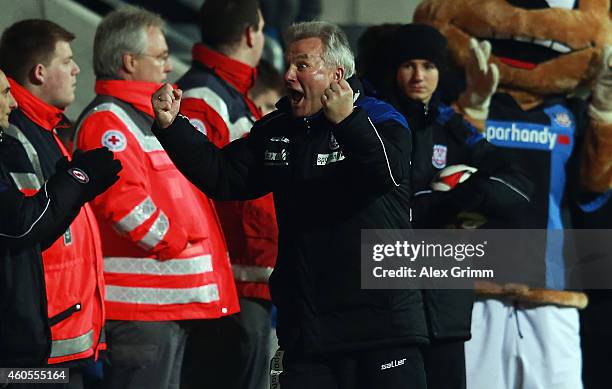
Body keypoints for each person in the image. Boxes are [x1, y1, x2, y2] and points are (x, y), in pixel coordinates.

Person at [152, 21, 429, 389]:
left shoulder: (381, 118)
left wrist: (347, 122)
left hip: (382, 328)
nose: (288, 76)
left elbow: (387, 174)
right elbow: (224, 176)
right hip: (308, 331)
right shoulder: (279, 129)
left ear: (337, 74)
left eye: (302, 65)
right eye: (289, 65)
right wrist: (174, 129)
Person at [72, 7, 239, 389]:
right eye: (161, 57)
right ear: (130, 62)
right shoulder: (109, 120)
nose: (168, 68)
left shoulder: (142, 116)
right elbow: (122, 203)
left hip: (165, 305)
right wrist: (174, 240)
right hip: (141, 309)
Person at [381, 23, 532, 389]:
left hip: (446, 306)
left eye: (428, 66)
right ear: (393, 70)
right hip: (390, 307)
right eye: (409, 65)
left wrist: (463, 200)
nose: (419, 75)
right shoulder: (378, 125)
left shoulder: (454, 128)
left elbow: (520, 190)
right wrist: (435, 207)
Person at [0, 20, 120, 384]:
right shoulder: (16, 137)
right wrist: (77, 179)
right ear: (39, 71)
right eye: (67, 60)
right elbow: (25, 225)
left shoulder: (48, 131)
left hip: (56, 333)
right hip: (37, 339)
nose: (77, 69)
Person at [176, 1, 277, 388]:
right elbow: (197, 189)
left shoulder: (231, 92)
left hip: (242, 275)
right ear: (251, 34)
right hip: (229, 278)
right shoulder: (204, 95)